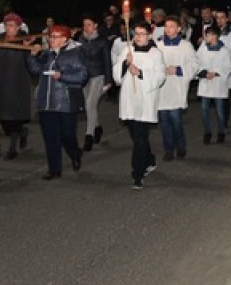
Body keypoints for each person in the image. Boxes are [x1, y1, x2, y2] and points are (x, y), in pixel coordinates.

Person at [27, 24, 88, 180]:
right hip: (46, 102)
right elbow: (36, 70)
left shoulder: (76, 53)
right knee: (50, 136)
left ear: (64, 39)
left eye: (54, 37)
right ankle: (54, 169)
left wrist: (62, 76)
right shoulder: (47, 54)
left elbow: (82, 77)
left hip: (65, 102)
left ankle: (75, 153)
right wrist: (32, 56)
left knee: (67, 135)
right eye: (50, 36)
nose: (50, 40)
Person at [113, 21, 165, 190]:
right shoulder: (127, 50)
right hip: (129, 100)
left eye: (142, 34)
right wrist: (124, 65)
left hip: (145, 100)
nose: (138, 37)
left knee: (140, 138)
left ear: (149, 36)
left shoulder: (155, 54)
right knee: (136, 136)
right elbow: (116, 76)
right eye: (136, 33)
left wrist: (140, 73)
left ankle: (138, 173)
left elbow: (160, 77)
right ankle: (149, 159)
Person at [0, 13, 32, 160]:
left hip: (17, 84)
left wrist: (28, 49)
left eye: (12, 25)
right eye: (7, 25)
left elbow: (31, 62)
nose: (9, 28)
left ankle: (12, 148)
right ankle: (21, 132)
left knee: (14, 116)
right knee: (3, 118)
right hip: (1, 84)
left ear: (19, 27)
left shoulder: (23, 40)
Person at [158, 15, 198, 161]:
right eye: (166, 26)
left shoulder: (186, 46)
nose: (168, 29)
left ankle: (181, 146)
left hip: (177, 88)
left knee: (176, 120)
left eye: (171, 26)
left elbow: (194, 65)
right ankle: (168, 149)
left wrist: (178, 70)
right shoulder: (158, 45)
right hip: (162, 89)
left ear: (179, 29)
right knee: (164, 122)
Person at [76, 14, 113, 151]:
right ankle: (97, 127)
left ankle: (89, 136)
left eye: (89, 24)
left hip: (98, 75)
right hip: (84, 76)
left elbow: (107, 61)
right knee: (88, 106)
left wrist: (109, 80)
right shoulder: (80, 40)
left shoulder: (102, 41)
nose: (86, 27)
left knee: (91, 104)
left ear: (96, 25)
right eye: (84, 25)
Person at [195, 25, 231, 144]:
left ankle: (221, 132)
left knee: (220, 111)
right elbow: (196, 61)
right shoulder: (202, 48)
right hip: (206, 82)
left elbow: (227, 66)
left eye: (208, 35)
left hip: (218, 83)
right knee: (204, 109)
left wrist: (216, 73)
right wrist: (203, 72)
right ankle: (207, 132)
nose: (206, 37)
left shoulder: (224, 51)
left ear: (215, 36)